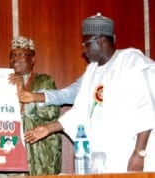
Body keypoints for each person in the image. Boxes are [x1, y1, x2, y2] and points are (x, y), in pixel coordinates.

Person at [24, 13, 155, 173]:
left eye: (86, 43)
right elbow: (80, 111)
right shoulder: (92, 70)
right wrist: (48, 128)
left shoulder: (130, 61)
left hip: (130, 155)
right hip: (103, 158)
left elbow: (146, 108)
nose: (84, 49)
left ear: (100, 40)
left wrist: (139, 153)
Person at [8, 36, 62, 175]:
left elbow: (52, 112)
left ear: (32, 59)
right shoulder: (5, 81)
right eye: (13, 55)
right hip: (11, 145)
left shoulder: (44, 80)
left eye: (21, 55)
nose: (16, 59)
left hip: (40, 151)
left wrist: (23, 91)